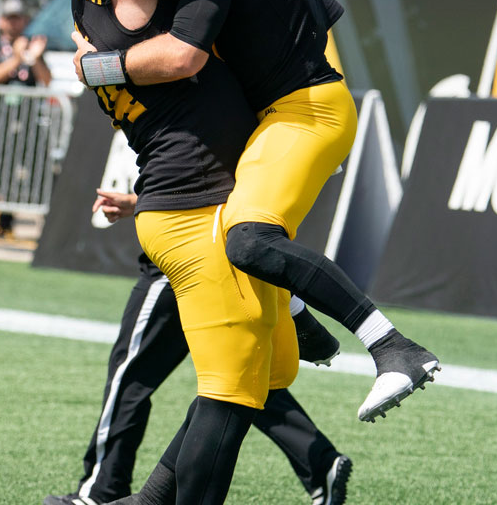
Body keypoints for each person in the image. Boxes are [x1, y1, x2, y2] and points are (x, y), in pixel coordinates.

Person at [44, 0, 437, 426]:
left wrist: (91, 65)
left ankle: (392, 345)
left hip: (304, 104)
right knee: (250, 364)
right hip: (278, 104)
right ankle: (301, 315)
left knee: (248, 239)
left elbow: (179, 55)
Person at [48, 0, 331, 505]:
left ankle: (113, 494)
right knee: (228, 382)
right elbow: (182, 51)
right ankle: (109, 492)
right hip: (192, 205)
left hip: (182, 200)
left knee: (241, 377)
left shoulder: (93, 17)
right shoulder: (123, 2)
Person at [44, 186, 348, 505]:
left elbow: (204, 167)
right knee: (239, 379)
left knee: (131, 374)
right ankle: (319, 461)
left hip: (182, 256)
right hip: (211, 248)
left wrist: (143, 202)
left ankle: (100, 490)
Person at [0, 0, 52, 87]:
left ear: (25, 20)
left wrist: (35, 59)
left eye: (17, 18)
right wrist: (17, 58)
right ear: (1, 21)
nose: (13, 23)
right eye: (9, 18)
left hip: (28, 100)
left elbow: (47, 81)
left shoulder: (31, 45)